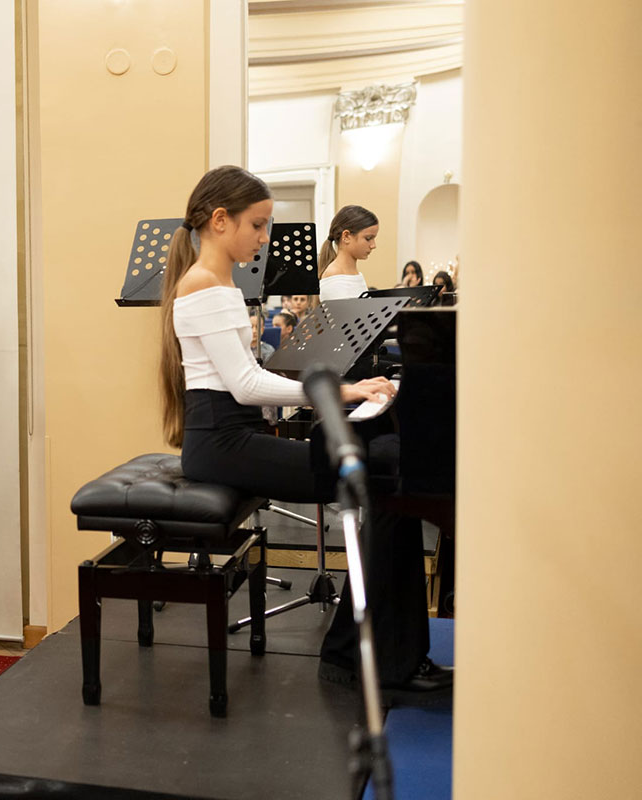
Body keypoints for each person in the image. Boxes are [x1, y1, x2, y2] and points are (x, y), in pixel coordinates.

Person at [159, 166, 452, 699]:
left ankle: (378, 654)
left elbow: (245, 381)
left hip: (232, 436)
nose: (265, 239)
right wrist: (341, 391)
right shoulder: (205, 283)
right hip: (222, 445)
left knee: (391, 480)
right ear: (220, 221)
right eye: (258, 225)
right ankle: (365, 657)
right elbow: (246, 385)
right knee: (386, 486)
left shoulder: (218, 282)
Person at [317, 205, 379, 301]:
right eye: (368, 238)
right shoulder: (334, 276)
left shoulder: (355, 274)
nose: (373, 245)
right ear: (346, 236)